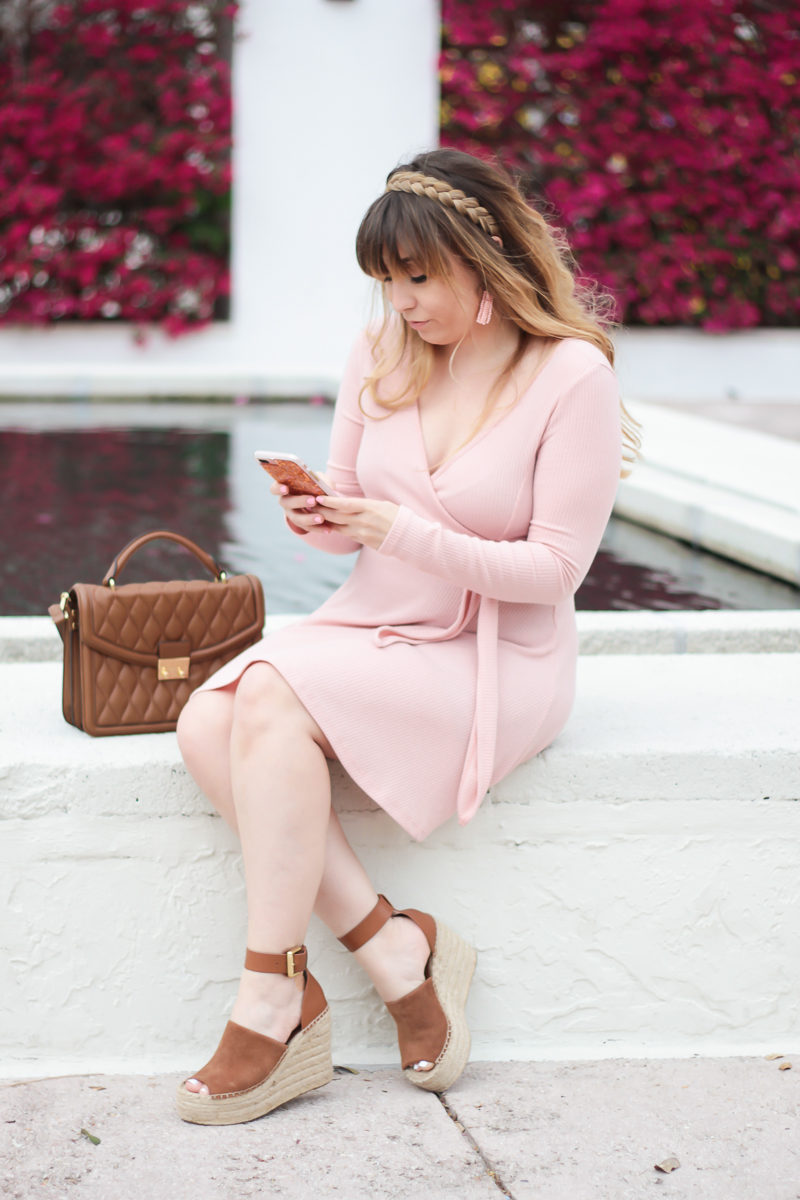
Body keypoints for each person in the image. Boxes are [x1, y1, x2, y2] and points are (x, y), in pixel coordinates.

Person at [174, 148, 637, 1125]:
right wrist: (322, 515)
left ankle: (271, 994)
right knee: (204, 723)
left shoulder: (569, 376)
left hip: (495, 657)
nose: (401, 304)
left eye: (418, 278)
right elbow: (352, 498)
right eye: (386, 283)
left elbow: (555, 573)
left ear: (487, 262)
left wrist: (399, 530)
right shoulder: (378, 353)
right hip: (378, 623)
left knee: (258, 696)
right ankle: (391, 947)